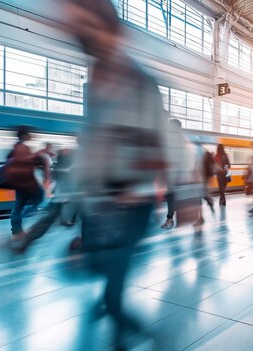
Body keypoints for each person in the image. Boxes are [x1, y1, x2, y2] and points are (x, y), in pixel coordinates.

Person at [62, 0, 169, 346]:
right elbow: (90, 152)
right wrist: (70, 206)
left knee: (114, 272)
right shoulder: (91, 84)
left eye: (84, 23)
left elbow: (158, 148)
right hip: (99, 206)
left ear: (110, 29)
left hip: (129, 205)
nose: (74, 31)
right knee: (105, 268)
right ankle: (118, 313)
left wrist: (173, 195)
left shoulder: (141, 83)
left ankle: (124, 324)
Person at [7, 127, 49, 246]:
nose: (30, 136)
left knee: (19, 206)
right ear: (24, 135)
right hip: (24, 182)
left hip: (19, 182)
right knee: (38, 199)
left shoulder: (15, 148)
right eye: (28, 134)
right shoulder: (22, 148)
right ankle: (18, 230)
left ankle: (16, 232)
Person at [161, 119, 197, 229]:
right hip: (178, 174)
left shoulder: (172, 139)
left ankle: (170, 219)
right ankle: (191, 218)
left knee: (172, 197)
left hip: (174, 174)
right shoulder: (182, 139)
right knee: (177, 197)